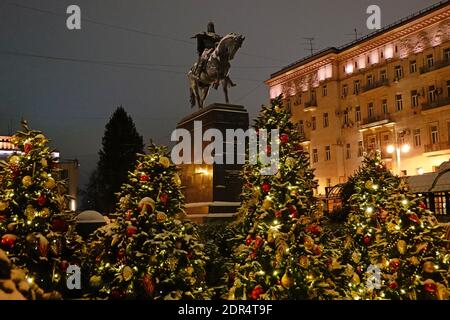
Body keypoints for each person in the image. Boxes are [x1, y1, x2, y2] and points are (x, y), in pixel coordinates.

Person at [191, 22, 222, 87]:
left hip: (214, 51)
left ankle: (223, 75)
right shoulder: (205, 35)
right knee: (203, 58)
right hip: (207, 50)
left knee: (222, 60)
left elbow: (221, 40)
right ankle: (198, 72)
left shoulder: (216, 36)